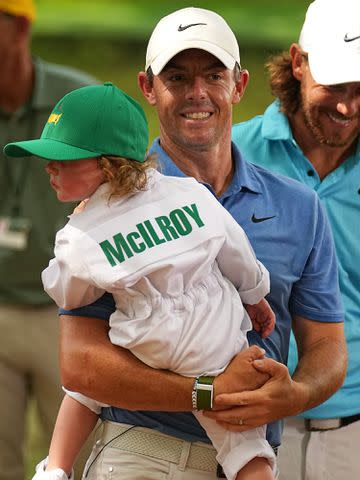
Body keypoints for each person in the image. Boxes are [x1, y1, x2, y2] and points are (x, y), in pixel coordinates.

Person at [55, 7, 346, 480]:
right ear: (148, 87)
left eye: (213, 75)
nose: (197, 94)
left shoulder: (300, 206)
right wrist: (206, 392)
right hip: (141, 455)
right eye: (177, 77)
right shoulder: (107, 204)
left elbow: (327, 345)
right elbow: (80, 366)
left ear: (239, 84)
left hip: (253, 460)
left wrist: (299, 393)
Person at [5, 82, 279, 480]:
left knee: (91, 386)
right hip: (217, 341)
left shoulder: (78, 236)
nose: (49, 166)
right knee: (246, 445)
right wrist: (255, 296)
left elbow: (66, 291)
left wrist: (76, 230)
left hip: (149, 341)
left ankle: (56, 468)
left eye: (62, 158)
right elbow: (235, 249)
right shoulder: (189, 192)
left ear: (107, 165)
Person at [231, 0, 360, 478]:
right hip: (243, 427)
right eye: (334, 86)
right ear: (299, 63)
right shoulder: (232, 153)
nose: (348, 106)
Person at [0, 1, 98, 479]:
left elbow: (130, 190)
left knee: (74, 464)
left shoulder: (75, 100)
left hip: (67, 315)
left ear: (18, 27)